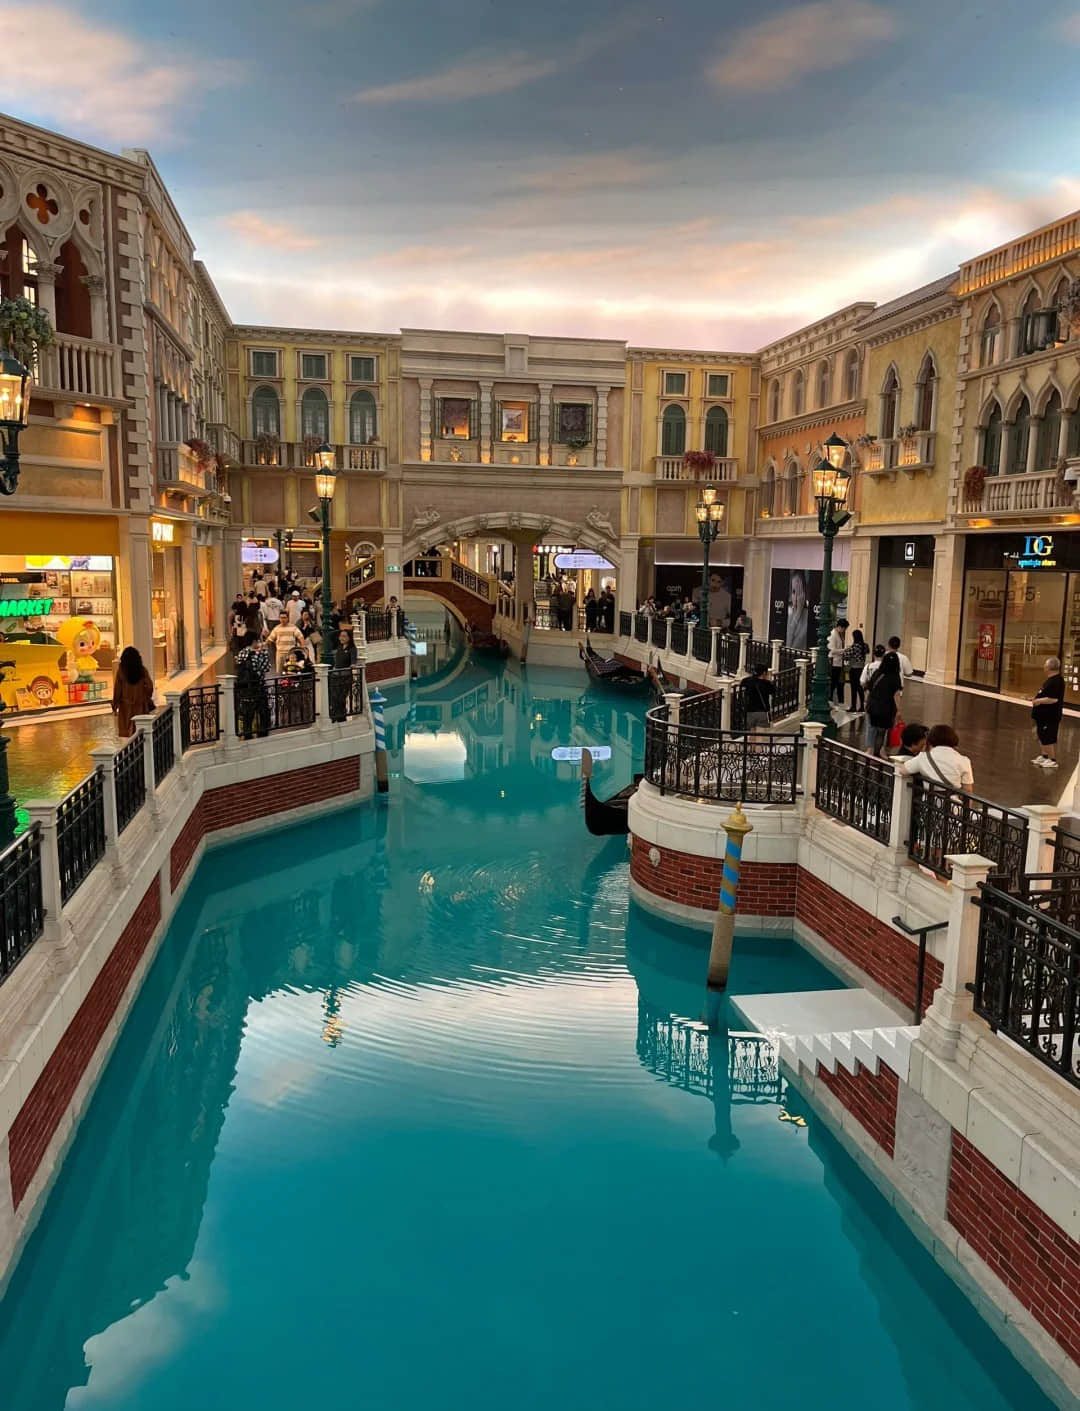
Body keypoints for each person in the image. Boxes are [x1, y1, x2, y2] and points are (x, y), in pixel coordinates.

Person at [903, 723, 974, 792]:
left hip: (929, 802)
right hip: (952, 802)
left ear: (931, 740)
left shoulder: (923, 757)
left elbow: (903, 770)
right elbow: (968, 790)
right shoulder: (964, 760)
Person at [865, 651, 903, 757]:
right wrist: (899, 710)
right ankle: (878, 752)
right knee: (881, 732)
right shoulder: (895, 677)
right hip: (886, 708)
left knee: (871, 727)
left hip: (873, 705)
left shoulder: (877, 673)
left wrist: (866, 702)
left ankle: (870, 751)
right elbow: (896, 695)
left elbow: (869, 688)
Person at [111, 646, 154, 738]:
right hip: (140, 706)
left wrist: (115, 704)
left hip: (125, 707)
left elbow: (117, 689)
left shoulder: (121, 671)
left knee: (127, 733)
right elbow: (150, 686)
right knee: (140, 730)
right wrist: (145, 697)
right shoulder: (142, 670)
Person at [1031, 656, 1066, 768]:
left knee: (1048, 738)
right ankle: (1044, 756)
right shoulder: (1050, 680)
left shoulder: (1057, 681)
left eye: (1045, 665)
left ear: (1050, 667)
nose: (1044, 667)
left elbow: (1054, 699)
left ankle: (1052, 760)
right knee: (1041, 736)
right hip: (1042, 716)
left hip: (1050, 716)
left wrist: (1038, 700)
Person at [234, 635, 271, 739]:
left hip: (245, 687)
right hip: (258, 686)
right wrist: (264, 653)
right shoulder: (259, 654)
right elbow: (266, 668)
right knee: (262, 709)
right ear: (254, 641)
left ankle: (247, 732)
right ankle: (262, 731)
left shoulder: (242, 653)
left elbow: (238, 665)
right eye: (257, 641)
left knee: (247, 711)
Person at [267, 610, 310, 675]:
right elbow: (270, 639)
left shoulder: (293, 627)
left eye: (284, 617)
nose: (282, 619)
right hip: (280, 654)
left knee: (291, 671)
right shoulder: (276, 628)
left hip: (291, 654)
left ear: (288, 618)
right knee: (280, 672)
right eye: (281, 618)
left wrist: (303, 647)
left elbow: (300, 637)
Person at [741, 663, 774, 731]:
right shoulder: (767, 684)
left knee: (752, 734)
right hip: (762, 711)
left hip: (750, 710)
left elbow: (742, 684)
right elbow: (773, 691)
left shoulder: (748, 681)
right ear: (764, 673)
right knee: (760, 736)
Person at [844, 628, 869, 713]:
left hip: (854, 668)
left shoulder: (855, 646)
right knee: (860, 688)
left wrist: (847, 649)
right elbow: (868, 652)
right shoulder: (865, 645)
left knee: (853, 688)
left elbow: (846, 654)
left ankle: (853, 706)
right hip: (861, 668)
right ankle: (862, 706)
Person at [827, 617, 848, 705]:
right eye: (844, 628)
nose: (844, 630)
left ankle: (836, 700)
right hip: (834, 662)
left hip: (839, 662)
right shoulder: (833, 635)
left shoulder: (839, 634)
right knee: (833, 682)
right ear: (840, 627)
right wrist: (844, 650)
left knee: (837, 682)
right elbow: (832, 650)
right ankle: (830, 699)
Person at [785, 572, 809, 649]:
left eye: (800, 591)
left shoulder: (807, 616)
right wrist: (797, 613)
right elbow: (788, 644)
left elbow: (795, 645)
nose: (796, 597)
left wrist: (799, 611)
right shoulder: (790, 613)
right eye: (794, 592)